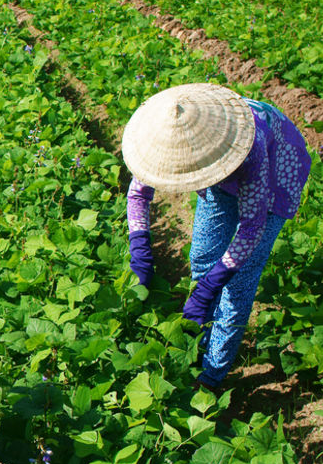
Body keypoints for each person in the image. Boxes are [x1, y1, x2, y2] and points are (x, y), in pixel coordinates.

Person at [121, 83, 311, 390]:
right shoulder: (162, 135)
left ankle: (211, 376)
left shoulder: (249, 150)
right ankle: (194, 349)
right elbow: (138, 195)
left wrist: (212, 285)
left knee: (238, 283)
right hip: (219, 165)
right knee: (203, 259)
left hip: (274, 170)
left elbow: (252, 227)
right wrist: (140, 249)